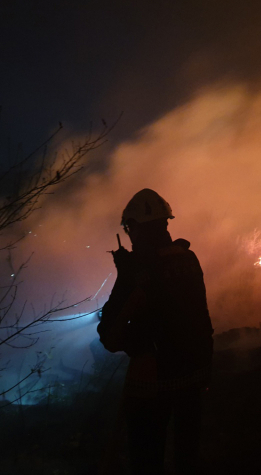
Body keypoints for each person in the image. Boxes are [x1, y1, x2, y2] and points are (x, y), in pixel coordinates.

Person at [97, 189, 214, 475]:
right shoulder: (189, 258)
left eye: (130, 229)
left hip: (151, 381)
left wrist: (126, 278)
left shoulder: (137, 268)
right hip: (194, 373)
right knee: (187, 454)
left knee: (146, 459)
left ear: (136, 227)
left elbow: (109, 335)